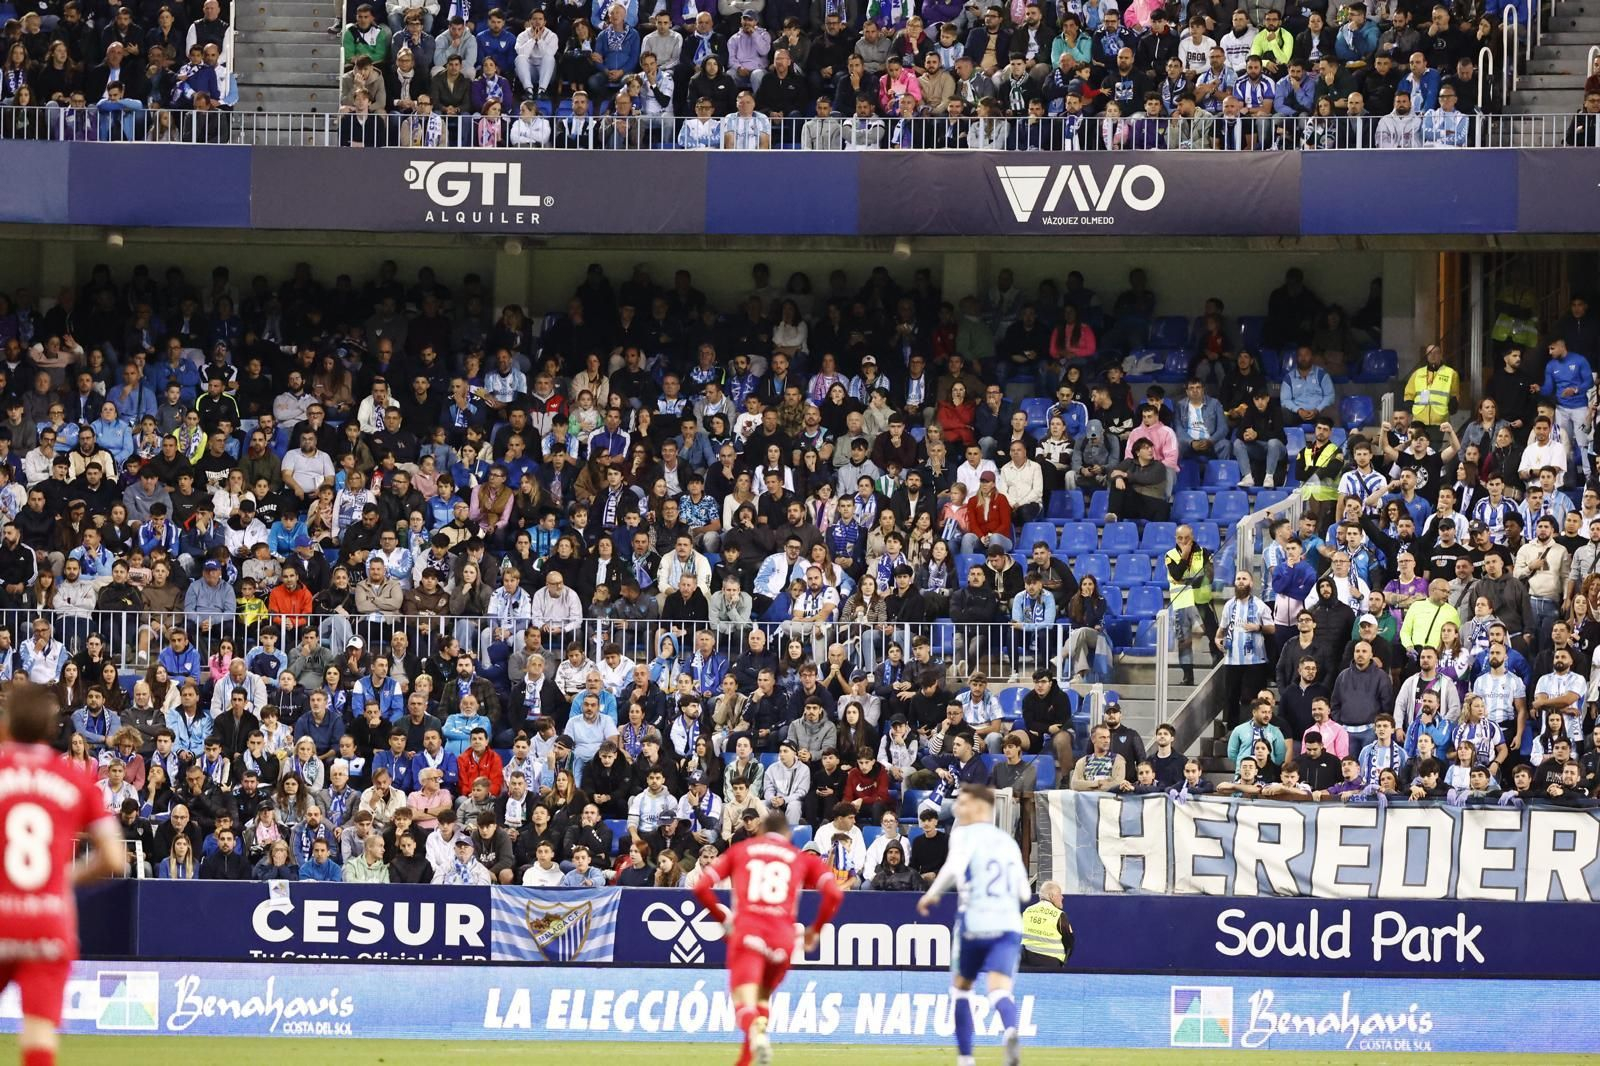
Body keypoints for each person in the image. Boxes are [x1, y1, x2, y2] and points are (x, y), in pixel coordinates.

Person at [0, 684, 124, 1066]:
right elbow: (115, 857)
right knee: (38, 1036)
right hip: (48, 919)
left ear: (7, 723)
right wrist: (59, 880)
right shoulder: (74, 780)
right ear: (52, 728)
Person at [691, 811, 844, 1066]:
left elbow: (700, 887)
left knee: (743, 1002)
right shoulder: (800, 858)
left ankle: (756, 1033)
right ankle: (747, 1057)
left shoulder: (742, 850)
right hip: (782, 939)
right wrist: (814, 930)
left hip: (748, 931)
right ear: (788, 835)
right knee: (762, 998)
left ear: (761, 831)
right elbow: (835, 895)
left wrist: (723, 919)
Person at [916, 784, 1030, 1066]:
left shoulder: (963, 835)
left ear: (980, 808)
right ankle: (1011, 1031)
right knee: (1000, 990)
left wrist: (931, 895)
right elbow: (1025, 893)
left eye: (964, 803)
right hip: (1008, 924)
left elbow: (953, 868)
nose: (957, 807)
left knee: (961, 989)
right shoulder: (1009, 843)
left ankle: (966, 1059)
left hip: (974, 921)